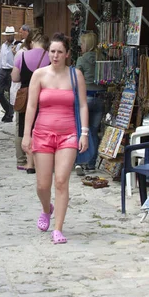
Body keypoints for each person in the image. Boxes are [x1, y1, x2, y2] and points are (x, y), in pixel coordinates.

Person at [22, 32, 89, 244]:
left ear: (67, 54)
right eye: (52, 51)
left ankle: (58, 229)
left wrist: (84, 133)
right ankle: (46, 208)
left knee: (61, 181)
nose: (56, 55)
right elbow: (31, 106)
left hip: (68, 134)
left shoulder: (75, 75)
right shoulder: (39, 75)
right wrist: (26, 135)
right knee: (43, 185)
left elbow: (83, 105)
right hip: (42, 133)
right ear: (48, 52)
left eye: (60, 52)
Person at [12, 29, 50, 173]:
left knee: (23, 127)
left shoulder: (22, 56)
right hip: (44, 95)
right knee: (42, 127)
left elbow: (14, 78)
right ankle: (42, 160)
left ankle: (24, 160)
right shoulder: (51, 56)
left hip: (26, 95)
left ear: (32, 42)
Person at [75, 31, 104, 174]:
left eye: (82, 43)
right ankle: (92, 164)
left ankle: (81, 161)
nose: (81, 46)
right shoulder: (102, 58)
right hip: (100, 98)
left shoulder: (82, 60)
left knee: (82, 130)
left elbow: (76, 78)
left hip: (85, 98)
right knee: (93, 132)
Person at [0, 25, 19, 122]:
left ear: (13, 35)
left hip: (11, 69)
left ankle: (9, 114)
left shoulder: (17, 45)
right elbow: (1, 59)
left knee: (11, 93)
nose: (8, 37)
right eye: (7, 35)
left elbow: (18, 58)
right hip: (3, 70)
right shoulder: (3, 45)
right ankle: (8, 110)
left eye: (10, 35)